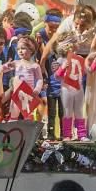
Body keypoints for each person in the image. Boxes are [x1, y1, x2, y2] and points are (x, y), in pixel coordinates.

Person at [0, 35, 43, 120]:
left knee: (27, 116)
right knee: (13, 113)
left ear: (31, 50)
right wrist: (6, 65)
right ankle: (11, 130)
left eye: (23, 48)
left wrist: (37, 89)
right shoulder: (16, 63)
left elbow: (40, 79)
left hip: (28, 94)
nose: (20, 51)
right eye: (18, 49)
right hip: (17, 94)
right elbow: (2, 70)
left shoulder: (35, 66)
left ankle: (27, 131)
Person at [37, 8, 64, 140]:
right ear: (44, 23)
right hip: (46, 81)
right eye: (50, 27)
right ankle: (47, 134)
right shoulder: (39, 36)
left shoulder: (63, 36)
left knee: (63, 112)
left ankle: (65, 134)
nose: (53, 30)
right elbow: (40, 60)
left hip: (61, 81)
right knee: (48, 110)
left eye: (56, 27)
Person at [54, 39, 88, 140]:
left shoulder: (80, 58)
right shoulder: (61, 60)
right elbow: (56, 76)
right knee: (67, 112)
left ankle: (82, 134)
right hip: (66, 89)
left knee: (79, 111)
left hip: (78, 88)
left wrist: (95, 65)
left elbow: (86, 71)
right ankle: (67, 135)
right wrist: (63, 67)